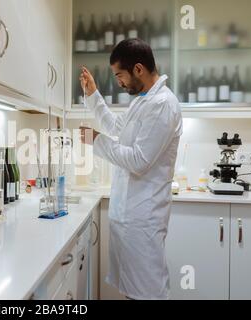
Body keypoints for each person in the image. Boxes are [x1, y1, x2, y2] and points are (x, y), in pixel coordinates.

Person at [79, 38, 182, 300]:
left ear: (138, 69)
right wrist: (93, 96)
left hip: (143, 220)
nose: (119, 82)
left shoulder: (163, 105)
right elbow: (116, 128)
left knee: (147, 293)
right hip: (129, 217)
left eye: (120, 75)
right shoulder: (143, 101)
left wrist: (96, 141)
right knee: (133, 292)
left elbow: (139, 161)